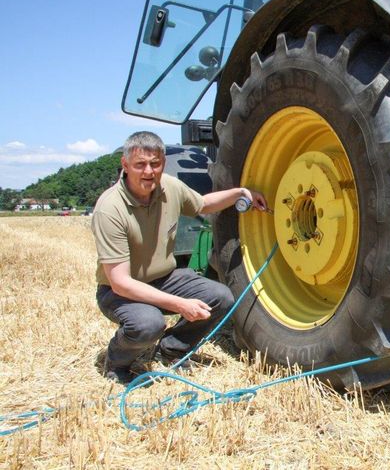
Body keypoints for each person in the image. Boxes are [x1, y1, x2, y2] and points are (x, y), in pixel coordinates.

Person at [91, 131, 268, 383]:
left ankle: (172, 349)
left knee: (221, 297)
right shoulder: (110, 209)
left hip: (164, 278)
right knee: (148, 324)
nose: (149, 172)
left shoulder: (170, 187)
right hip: (119, 291)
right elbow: (120, 282)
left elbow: (203, 204)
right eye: (140, 164)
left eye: (155, 163)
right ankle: (116, 363)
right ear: (125, 165)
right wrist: (180, 305)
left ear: (163, 161)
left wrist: (240, 192)